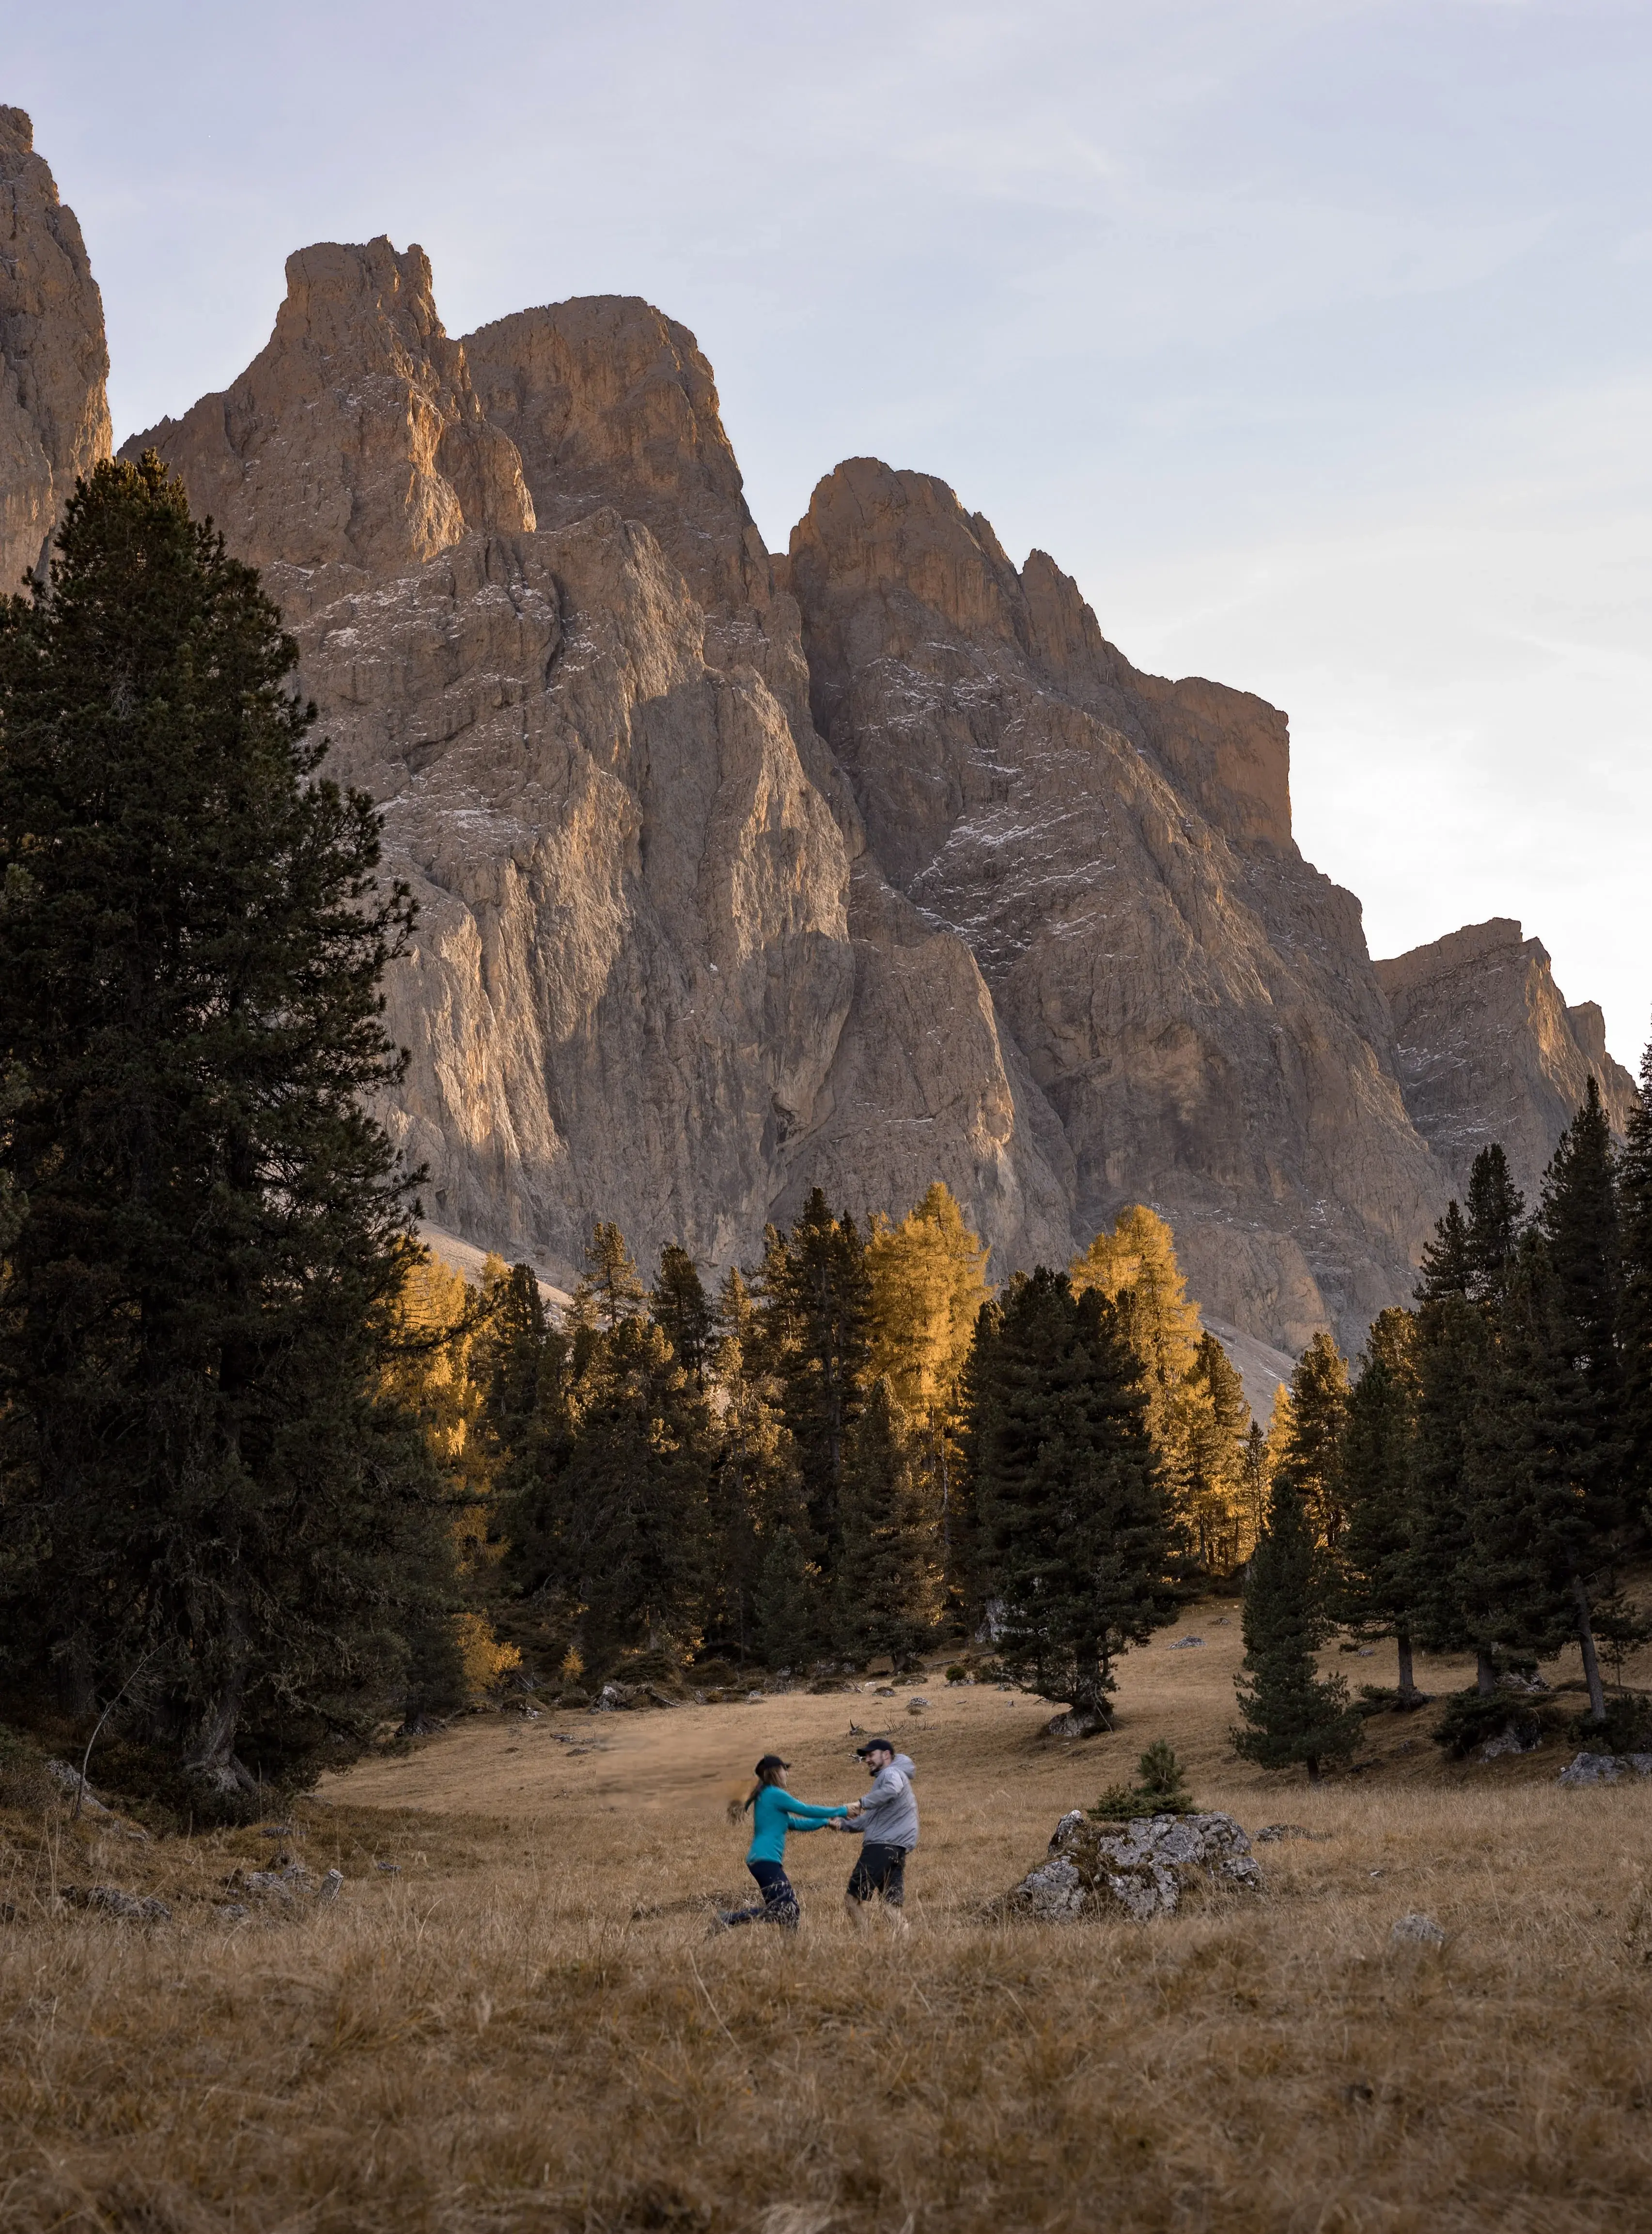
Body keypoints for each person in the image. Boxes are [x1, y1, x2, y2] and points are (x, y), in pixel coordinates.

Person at [713, 1753, 852, 1930]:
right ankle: (727, 1920)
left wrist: (826, 1822)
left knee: (786, 1912)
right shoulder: (774, 1794)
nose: (788, 1774)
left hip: (762, 1861)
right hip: (766, 1860)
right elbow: (806, 1810)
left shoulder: (767, 1796)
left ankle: (787, 1950)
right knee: (788, 1910)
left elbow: (795, 1823)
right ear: (777, 1772)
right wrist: (843, 1810)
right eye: (785, 1769)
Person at [836, 1736, 918, 1931]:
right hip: (896, 1850)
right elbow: (869, 1820)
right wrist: (841, 1824)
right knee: (890, 1907)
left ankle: (865, 1946)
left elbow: (892, 1789)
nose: (867, 1760)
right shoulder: (893, 1776)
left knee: (852, 1900)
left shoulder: (890, 1774)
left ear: (886, 1755)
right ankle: (909, 1949)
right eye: (866, 1757)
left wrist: (860, 1803)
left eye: (871, 1755)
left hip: (880, 1847)